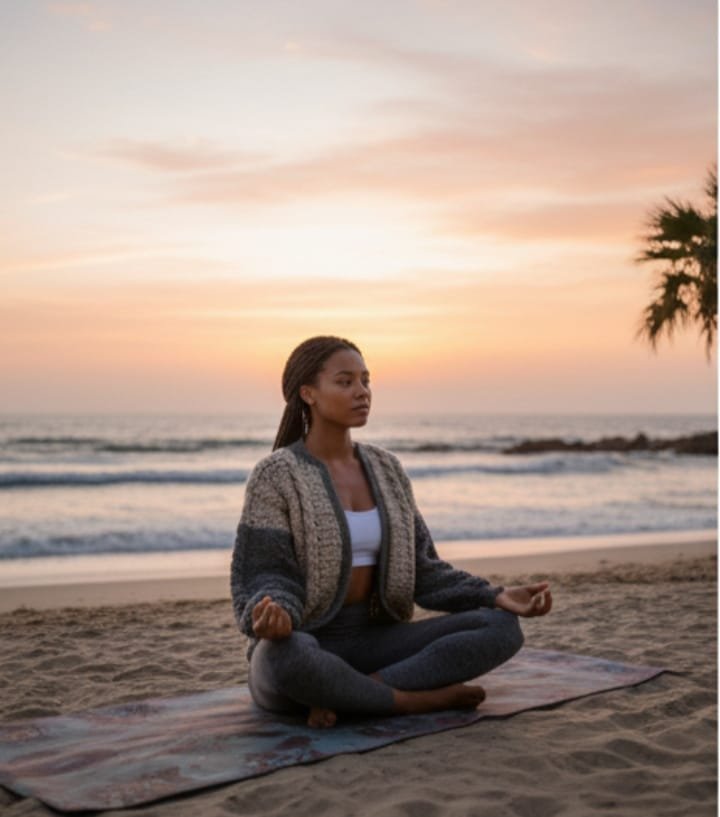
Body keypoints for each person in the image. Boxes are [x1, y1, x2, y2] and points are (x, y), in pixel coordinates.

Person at [230, 335, 553, 728]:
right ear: (308, 393)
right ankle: (411, 701)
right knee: (283, 656)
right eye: (345, 382)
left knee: (500, 627)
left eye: (366, 380)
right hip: (309, 639)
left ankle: (357, 693)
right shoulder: (276, 475)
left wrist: (495, 594)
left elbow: (424, 568)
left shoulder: (387, 469)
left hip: (380, 641)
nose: (362, 392)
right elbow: (267, 571)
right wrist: (275, 612)